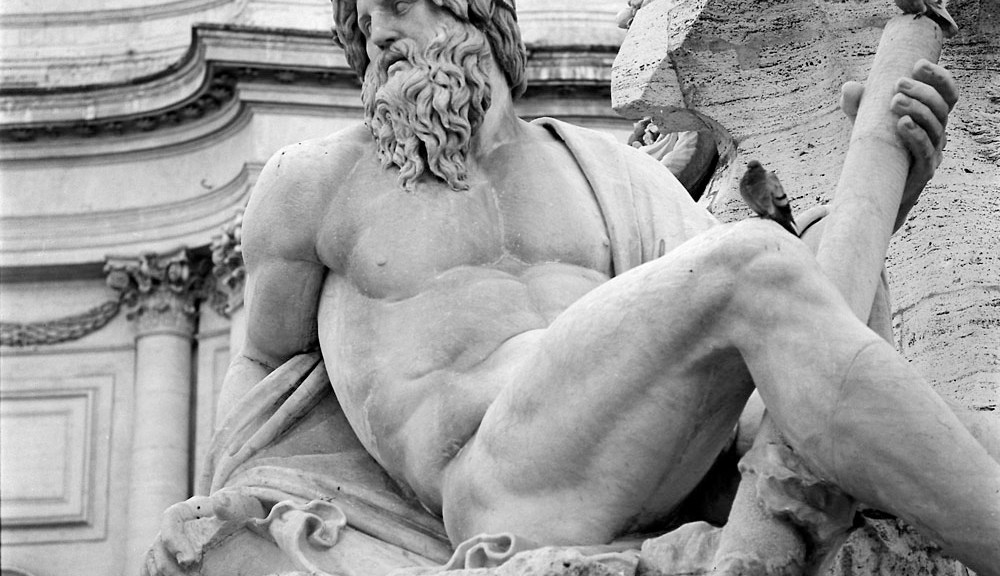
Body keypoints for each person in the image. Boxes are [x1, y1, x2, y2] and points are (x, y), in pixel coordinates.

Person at [146, 1, 1000, 574]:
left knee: (819, 307)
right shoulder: (316, 184)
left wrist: (876, 204)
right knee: (755, 263)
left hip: (648, 463)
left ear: (477, 12)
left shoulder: (612, 172)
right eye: (363, 26)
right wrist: (233, 519)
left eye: (398, 7)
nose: (377, 38)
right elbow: (260, 374)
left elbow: (796, 320)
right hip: (493, 485)